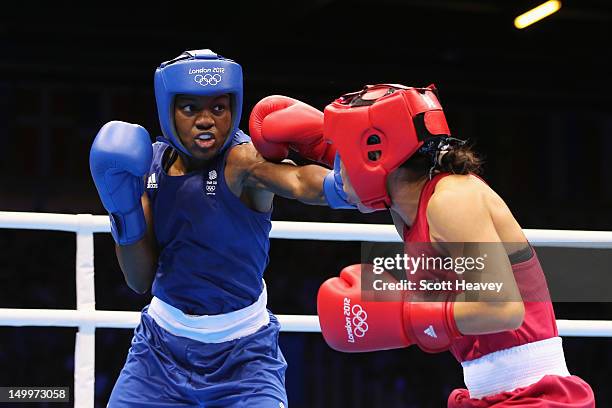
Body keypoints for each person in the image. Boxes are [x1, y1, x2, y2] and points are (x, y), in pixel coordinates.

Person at [255, 83, 595, 407]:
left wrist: (407, 317)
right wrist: (260, 161)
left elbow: (504, 309)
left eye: (343, 153)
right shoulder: (405, 206)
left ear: (375, 155)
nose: (337, 170)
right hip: (487, 393)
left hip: (537, 396)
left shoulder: (452, 200)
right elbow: (327, 186)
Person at [89, 49, 336, 407]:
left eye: (218, 109)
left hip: (245, 358)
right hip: (159, 352)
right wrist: (122, 210)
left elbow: (299, 181)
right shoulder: (148, 167)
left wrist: (344, 182)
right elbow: (138, 280)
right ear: (168, 111)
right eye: (190, 108)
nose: (206, 121)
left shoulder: (243, 162)